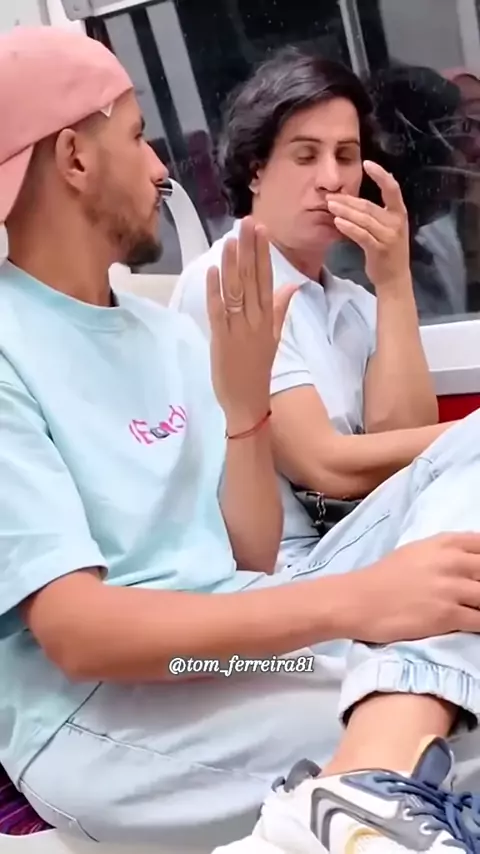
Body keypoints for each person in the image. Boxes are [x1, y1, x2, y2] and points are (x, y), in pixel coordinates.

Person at [1, 24, 480, 854]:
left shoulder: (162, 332)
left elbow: (246, 556)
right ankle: (366, 787)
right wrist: (361, 601)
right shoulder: (11, 345)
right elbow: (79, 633)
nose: (160, 168)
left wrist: (243, 405)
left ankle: (356, 789)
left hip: (236, 633)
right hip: (103, 716)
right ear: (74, 158)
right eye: (137, 137)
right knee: (450, 705)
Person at [171, 47, 459, 566]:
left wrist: (394, 283)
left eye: (346, 157)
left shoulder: (353, 300)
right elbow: (325, 466)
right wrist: (469, 436)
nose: (331, 179)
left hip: (368, 534)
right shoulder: (227, 279)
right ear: (255, 170)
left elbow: (401, 443)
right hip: (291, 561)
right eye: (306, 157)